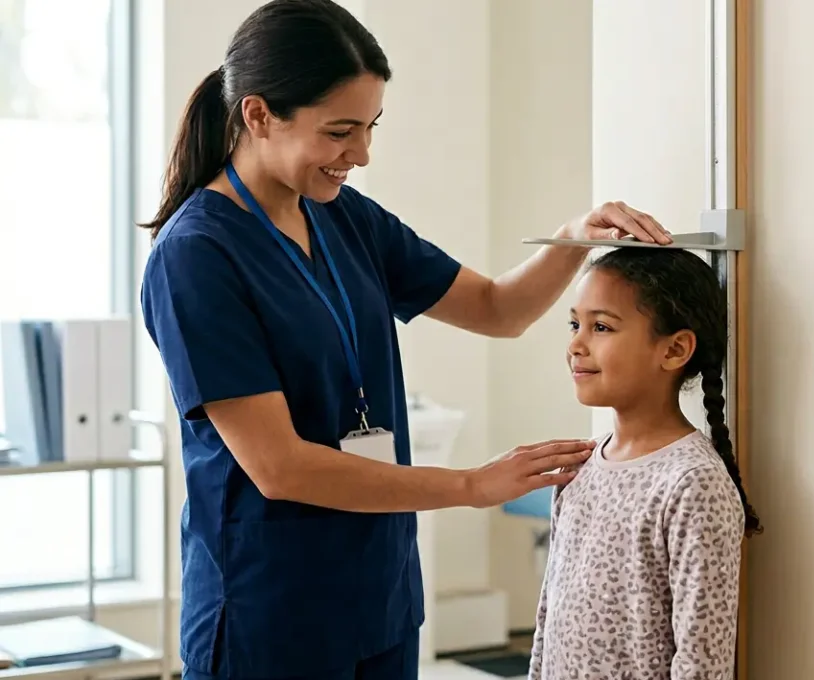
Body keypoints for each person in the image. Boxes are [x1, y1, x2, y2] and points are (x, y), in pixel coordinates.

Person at [136, 1, 673, 679]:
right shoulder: (196, 256)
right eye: (340, 132)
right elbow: (279, 467)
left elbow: (497, 309)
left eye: (370, 127)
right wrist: (472, 484)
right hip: (270, 613)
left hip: (380, 598)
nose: (361, 154)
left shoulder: (345, 218)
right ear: (259, 115)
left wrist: (575, 239)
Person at [527, 247, 763, 680]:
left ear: (674, 349)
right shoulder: (580, 467)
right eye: (575, 325)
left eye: (601, 327)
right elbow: (548, 621)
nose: (576, 345)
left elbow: (702, 662)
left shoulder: (693, 484)